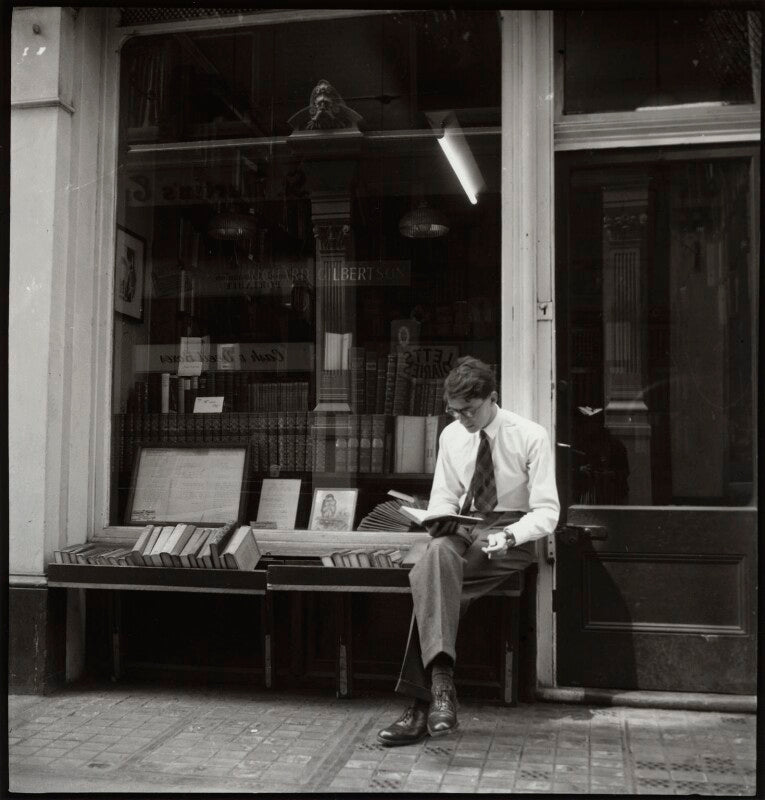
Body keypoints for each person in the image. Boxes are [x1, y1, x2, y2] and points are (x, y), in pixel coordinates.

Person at [377, 356, 560, 746]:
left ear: (492, 398)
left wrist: (512, 535)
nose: (462, 420)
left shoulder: (530, 436)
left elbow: (547, 512)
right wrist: (437, 518)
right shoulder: (451, 436)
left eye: (469, 411)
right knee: (436, 558)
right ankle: (441, 686)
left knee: (431, 581)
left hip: (512, 532)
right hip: (466, 524)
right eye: (454, 412)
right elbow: (445, 495)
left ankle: (419, 707)